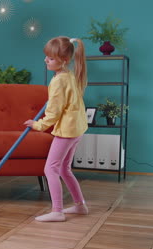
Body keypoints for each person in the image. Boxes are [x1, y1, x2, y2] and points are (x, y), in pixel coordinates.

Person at [24, 36, 89, 222]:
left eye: (51, 58)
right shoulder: (70, 75)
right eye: (46, 56)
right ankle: (80, 205)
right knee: (64, 168)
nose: (46, 60)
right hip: (77, 128)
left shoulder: (58, 81)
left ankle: (57, 211)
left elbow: (53, 113)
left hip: (67, 131)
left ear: (64, 61)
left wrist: (37, 125)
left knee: (50, 169)